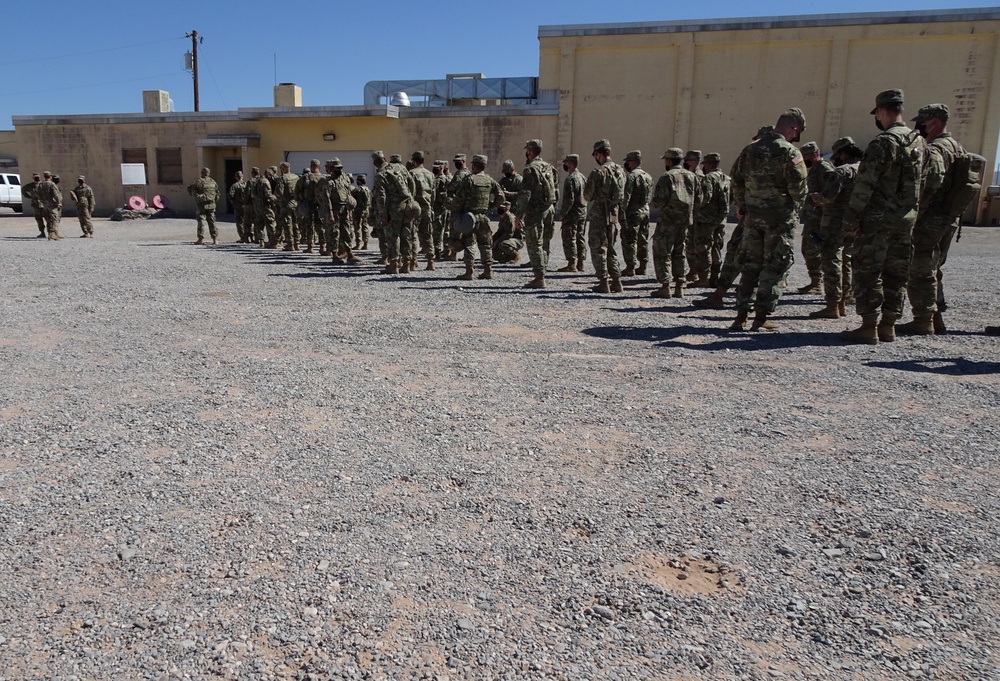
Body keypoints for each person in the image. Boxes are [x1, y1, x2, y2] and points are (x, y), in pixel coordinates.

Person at [840, 89, 928, 344]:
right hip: (905, 219)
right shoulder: (919, 142)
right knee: (896, 272)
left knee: (869, 271)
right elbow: (926, 181)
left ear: (881, 111)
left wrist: (852, 220)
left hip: (878, 220)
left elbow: (865, 185)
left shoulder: (884, 142)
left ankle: (869, 326)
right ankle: (888, 325)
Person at [728, 108, 808, 331]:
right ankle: (760, 317)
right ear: (792, 128)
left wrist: (742, 203)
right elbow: (798, 189)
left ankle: (740, 317)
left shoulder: (750, 149)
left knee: (750, 265)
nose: (795, 137)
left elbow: (736, 178)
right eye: (796, 132)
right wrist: (793, 208)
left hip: (753, 217)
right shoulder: (790, 152)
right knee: (774, 266)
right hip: (779, 220)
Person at [896, 104, 965, 336]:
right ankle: (935, 318)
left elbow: (930, 182)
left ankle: (923, 319)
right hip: (947, 217)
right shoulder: (957, 147)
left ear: (934, 122)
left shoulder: (937, 149)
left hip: (932, 217)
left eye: (922, 122)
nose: (919, 127)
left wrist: (915, 212)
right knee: (933, 267)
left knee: (920, 266)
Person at [693, 126, 774, 310]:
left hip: (750, 217)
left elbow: (737, 182)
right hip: (770, 217)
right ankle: (755, 305)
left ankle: (726, 295)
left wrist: (741, 206)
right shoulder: (786, 155)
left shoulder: (749, 154)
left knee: (737, 253)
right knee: (760, 257)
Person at [806, 137, 863, 319]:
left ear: (843, 153)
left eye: (837, 154)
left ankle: (832, 305)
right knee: (846, 261)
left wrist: (814, 197)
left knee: (831, 262)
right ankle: (844, 301)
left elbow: (828, 197)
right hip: (854, 223)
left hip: (834, 224)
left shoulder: (842, 172)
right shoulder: (864, 170)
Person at [649, 148, 697, 298]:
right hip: (684, 221)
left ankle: (665, 286)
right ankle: (679, 286)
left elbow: (659, 200)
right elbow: (700, 199)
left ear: (669, 161)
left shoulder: (667, 177)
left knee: (662, 252)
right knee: (679, 252)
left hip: (668, 221)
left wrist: (651, 204)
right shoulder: (691, 176)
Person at [448, 154, 504, 280]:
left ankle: (469, 271)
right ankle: (488, 270)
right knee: (485, 244)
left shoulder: (469, 180)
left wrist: (455, 211)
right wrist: (490, 206)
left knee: (469, 243)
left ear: (473, 165)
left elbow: (459, 199)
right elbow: (501, 197)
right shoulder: (489, 180)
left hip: (470, 217)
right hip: (484, 216)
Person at [583, 139, 627, 293]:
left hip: (599, 215)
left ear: (599, 154)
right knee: (611, 249)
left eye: (595, 154)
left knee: (598, 248)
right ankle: (616, 281)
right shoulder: (620, 171)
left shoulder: (598, 172)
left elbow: (587, 195)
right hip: (613, 216)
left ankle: (603, 282)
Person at [515, 139, 556, 289]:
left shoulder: (530, 169)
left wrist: (518, 215)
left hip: (536, 210)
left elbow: (525, 194)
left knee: (534, 243)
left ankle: (539, 277)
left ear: (530, 151)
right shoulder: (548, 167)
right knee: (545, 242)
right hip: (549, 208)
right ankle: (543, 271)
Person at [689, 152, 731, 287]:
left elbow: (704, 199)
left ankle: (703, 279)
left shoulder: (708, 179)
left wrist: (694, 204)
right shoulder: (727, 179)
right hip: (721, 219)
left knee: (703, 249)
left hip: (706, 220)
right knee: (716, 248)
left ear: (708, 164)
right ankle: (714, 277)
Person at [371, 150, 416, 275]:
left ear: (375, 162)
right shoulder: (400, 168)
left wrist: (384, 216)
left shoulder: (380, 175)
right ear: (384, 158)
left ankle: (394, 264)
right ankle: (407, 264)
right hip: (407, 206)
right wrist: (411, 200)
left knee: (393, 236)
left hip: (393, 209)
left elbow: (381, 198)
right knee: (406, 235)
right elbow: (412, 183)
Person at [796, 141, 828, 294]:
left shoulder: (824, 169)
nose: (805, 160)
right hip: (811, 217)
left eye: (807, 156)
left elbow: (833, 189)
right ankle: (815, 281)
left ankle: (818, 284)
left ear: (815, 154)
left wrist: (821, 200)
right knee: (806, 249)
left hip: (819, 218)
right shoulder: (814, 169)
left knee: (813, 250)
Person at [319, 159, 359, 264]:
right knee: (334, 233)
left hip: (345, 209)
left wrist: (350, 211)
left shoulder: (345, 178)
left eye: (340, 168)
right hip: (334, 211)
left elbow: (348, 194)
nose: (339, 170)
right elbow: (326, 200)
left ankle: (349, 254)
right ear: (331, 169)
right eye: (337, 168)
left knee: (347, 232)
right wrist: (330, 214)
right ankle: (335, 255)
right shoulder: (327, 182)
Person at [621, 150, 653, 277]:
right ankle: (643, 265)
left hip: (633, 213)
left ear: (633, 162)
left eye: (628, 162)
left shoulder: (631, 176)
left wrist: (621, 213)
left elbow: (626, 197)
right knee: (643, 239)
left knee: (629, 240)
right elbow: (649, 197)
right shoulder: (648, 176)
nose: (627, 165)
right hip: (645, 211)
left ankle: (630, 267)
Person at [558, 154, 587, 272]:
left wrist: (563, 214)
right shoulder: (582, 177)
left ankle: (571, 263)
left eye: (566, 163)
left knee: (569, 237)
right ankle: (581, 263)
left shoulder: (570, 179)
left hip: (572, 213)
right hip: (582, 212)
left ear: (570, 164)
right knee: (580, 237)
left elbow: (569, 199)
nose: (565, 165)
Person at [409, 151, 437, 270]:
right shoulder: (430, 174)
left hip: (416, 208)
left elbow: (410, 192)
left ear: (414, 161)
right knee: (427, 234)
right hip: (428, 208)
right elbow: (434, 193)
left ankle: (413, 261)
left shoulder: (412, 173)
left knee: (413, 234)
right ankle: (431, 261)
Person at [187, 167, 220, 245]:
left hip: (202, 204)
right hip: (212, 204)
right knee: (212, 221)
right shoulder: (213, 182)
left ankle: (200, 239)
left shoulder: (199, 182)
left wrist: (196, 196)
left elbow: (190, 189)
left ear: (202, 173)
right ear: (208, 173)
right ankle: (215, 239)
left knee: (201, 220)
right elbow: (217, 193)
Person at [275, 162, 300, 251]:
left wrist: (279, 201)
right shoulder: (296, 177)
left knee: (287, 224)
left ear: (283, 169)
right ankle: (297, 243)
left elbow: (279, 192)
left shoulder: (283, 178)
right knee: (296, 223)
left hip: (286, 204)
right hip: (295, 203)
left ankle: (290, 244)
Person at [431, 161, 451, 260]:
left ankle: (437, 251)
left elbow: (433, 196)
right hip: (447, 208)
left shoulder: (436, 180)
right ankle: (447, 250)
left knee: (437, 231)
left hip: (438, 208)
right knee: (447, 230)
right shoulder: (449, 179)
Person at [37, 171, 63, 240]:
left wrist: (42, 201)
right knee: (55, 219)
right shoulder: (51, 184)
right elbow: (56, 194)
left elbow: (38, 194)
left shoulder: (41, 184)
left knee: (48, 220)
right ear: (50, 176)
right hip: (52, 204)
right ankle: (53, 233)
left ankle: (50, 233)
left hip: (45, 204)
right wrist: (58, 202)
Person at [229, 171, 250, 243]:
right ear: (242, 176)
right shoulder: (247, 184)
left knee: (240, 222)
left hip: (238, 206)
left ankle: (243, 237)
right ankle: (251, 236)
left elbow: (230, 195)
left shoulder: (235, 185)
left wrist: (233, 202)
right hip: (247, 205)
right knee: (248, 221)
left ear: (236, 177)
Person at [351, 175, 371, 250]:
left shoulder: (357, 190)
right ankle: (365, 243)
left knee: (357, 227)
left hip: (358, 211)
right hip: (366, 210)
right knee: (365, 226)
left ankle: (358, 243)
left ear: (359, 181)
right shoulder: (368, 189)